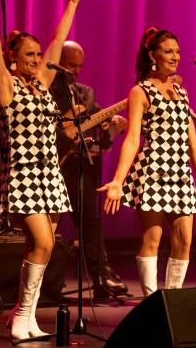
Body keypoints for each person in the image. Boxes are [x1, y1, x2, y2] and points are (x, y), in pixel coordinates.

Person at [0, 0, 89, 343]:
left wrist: (72, 4)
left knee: (41, 246)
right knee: (44, 243)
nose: (36, 59)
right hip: (24, 174)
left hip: (50, 176)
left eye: (37, 55)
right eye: (28, 55)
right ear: (13, 58)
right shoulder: (8, 85)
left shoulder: (42, 85)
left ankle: (26, 317)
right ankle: (20, 314)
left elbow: (57, 42)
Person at [98, 27, 196, 297]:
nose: (175, 56)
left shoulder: (181, 92)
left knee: (184, 241)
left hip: (180, 174)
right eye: (168, 51)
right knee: (152, 240)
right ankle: (152, 302)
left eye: (177, 51)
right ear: (153, 55)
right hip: (153, 172)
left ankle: (172, 301)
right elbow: (132, 139)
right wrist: (118, 180)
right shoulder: (141, 91)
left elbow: (192, 142)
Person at [49, 40, 129, 298]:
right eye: (71, 65)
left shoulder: (85, 93)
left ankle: (100, 279)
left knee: (90, 222)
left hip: (80, 166)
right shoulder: (45, 89)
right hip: (52, 167)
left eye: (80, 66)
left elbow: (99, 136)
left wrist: (112, 128)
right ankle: (45, 284)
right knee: (48, 226)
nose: (76, 71)